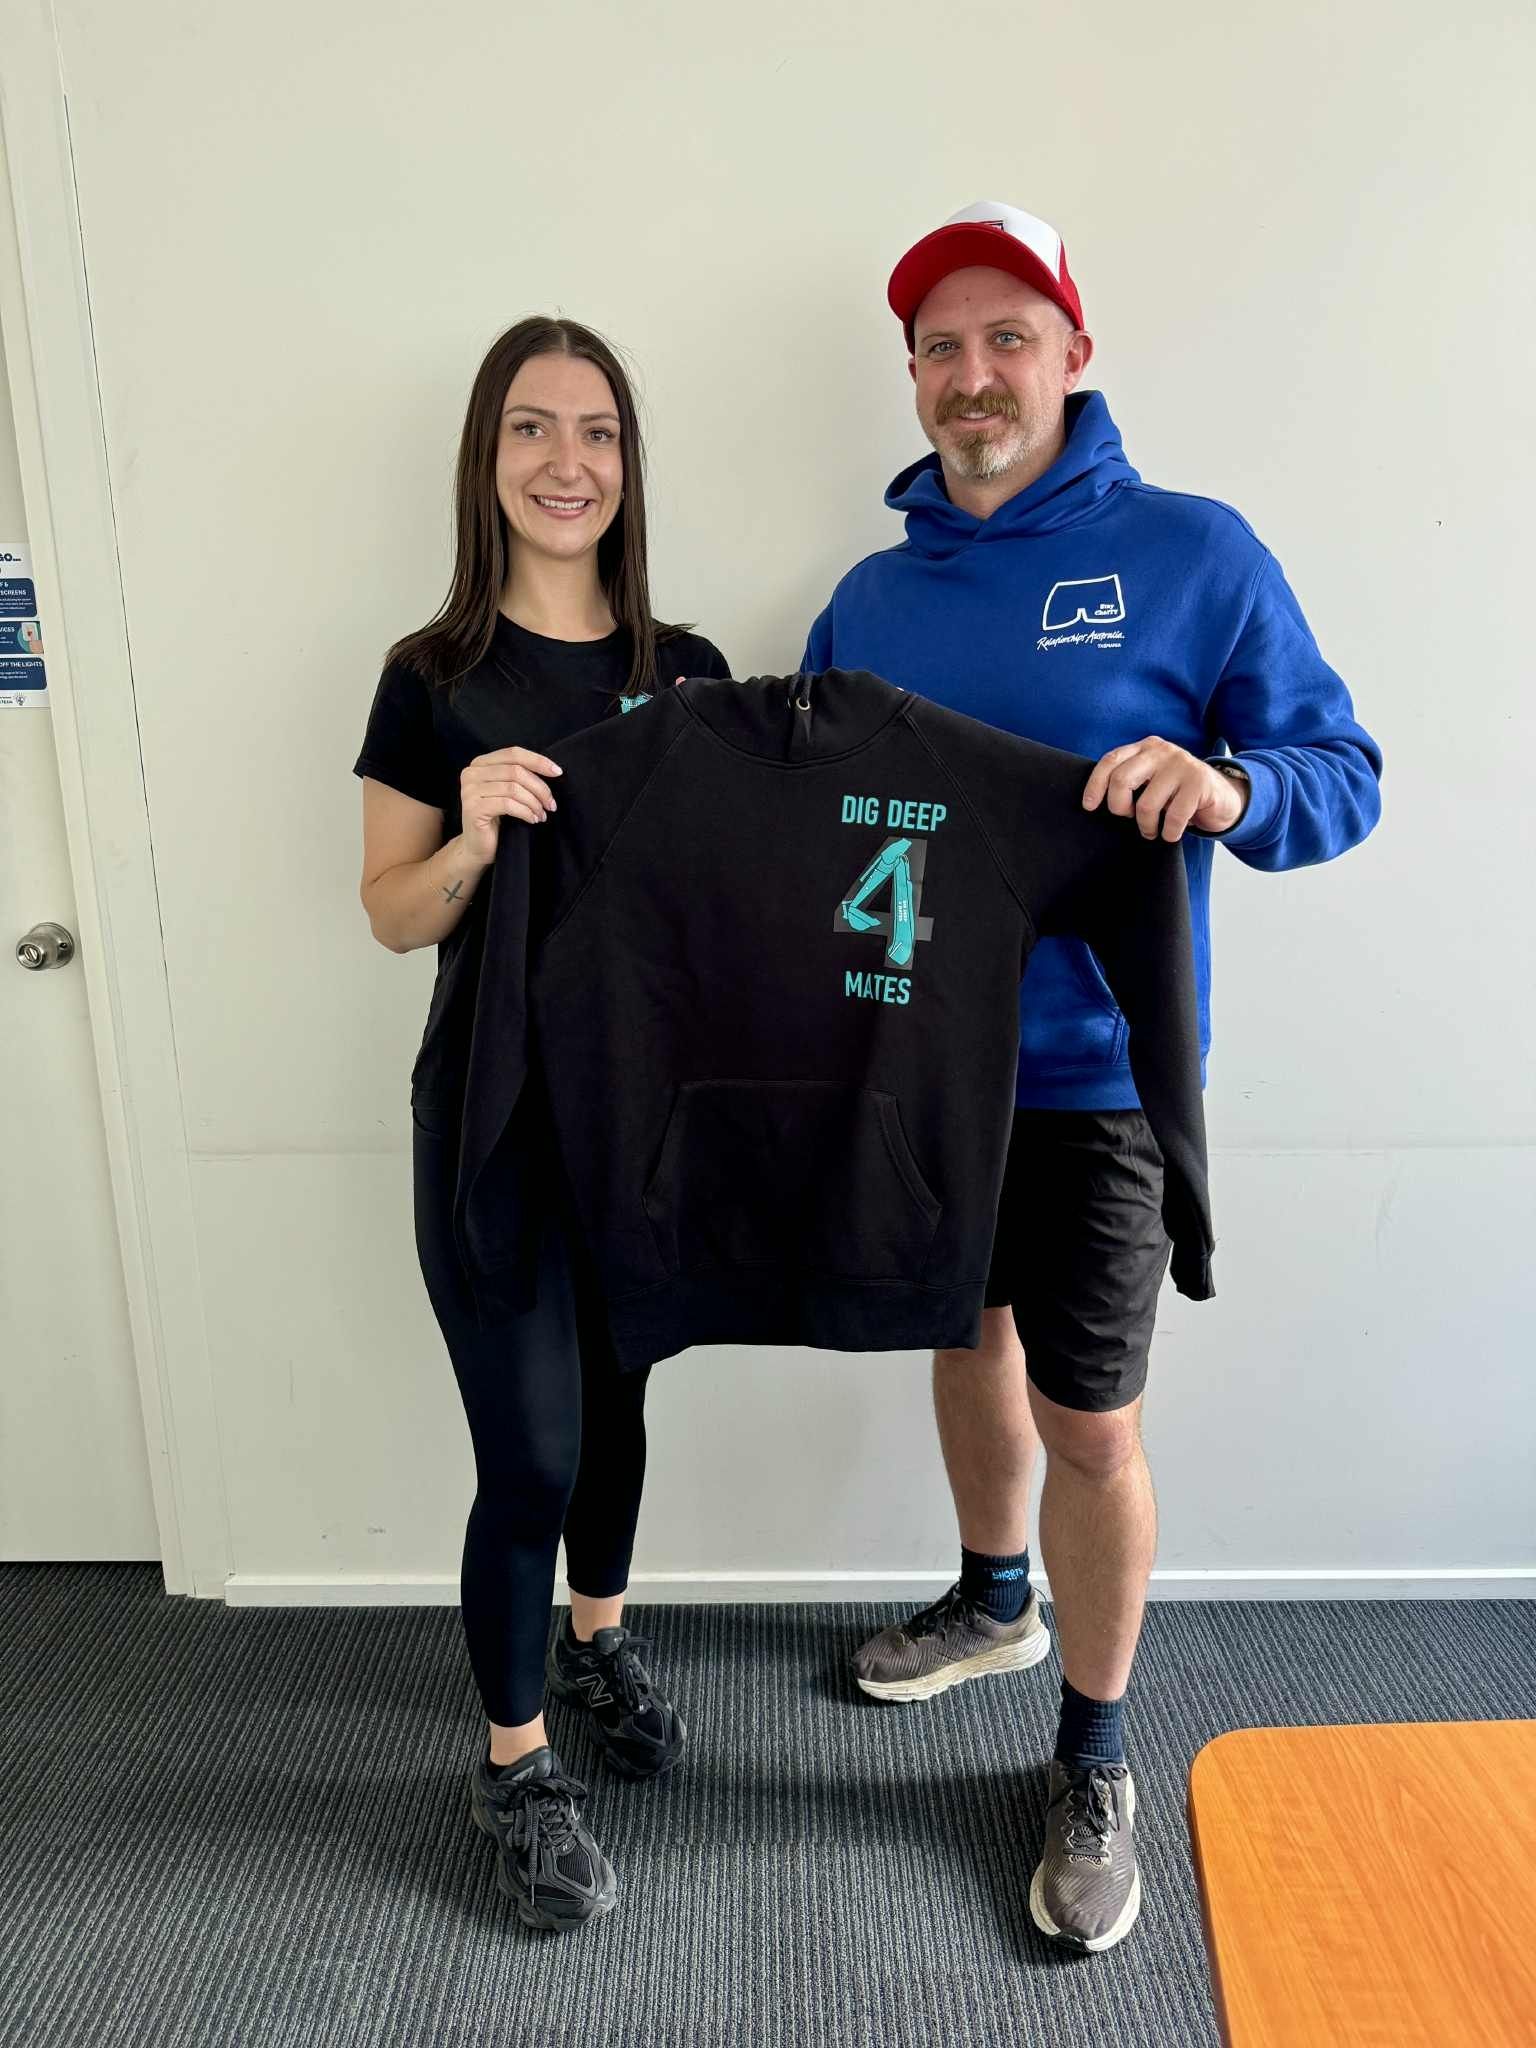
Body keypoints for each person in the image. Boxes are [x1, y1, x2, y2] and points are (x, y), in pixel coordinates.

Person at [801, 201, 1382, 1953]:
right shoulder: (869, 594)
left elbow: (1339, 771)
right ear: (911, 379)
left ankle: (1097, 1751)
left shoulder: (1195, 553)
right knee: (957, 1339)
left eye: (1008, 337)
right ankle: (993, 1599)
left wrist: (1229, 791)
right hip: (916, 1073)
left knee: (1090, 1417)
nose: (974, 375)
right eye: (941, 348)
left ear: (1073, 352)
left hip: (1099, 1083)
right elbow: (825, 829)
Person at [354, 315, 730, 1933]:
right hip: (492, 1122)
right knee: (531, 1450)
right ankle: (514, 1764)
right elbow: (386, 911)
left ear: (629, 465)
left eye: (597, 432)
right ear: (485, 459)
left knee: (622, 1409)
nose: (566, 462)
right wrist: (483, 838)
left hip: (644, 1125)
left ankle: (593, 1644)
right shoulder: (430, 679)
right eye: (530, 429)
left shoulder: (692, 674)